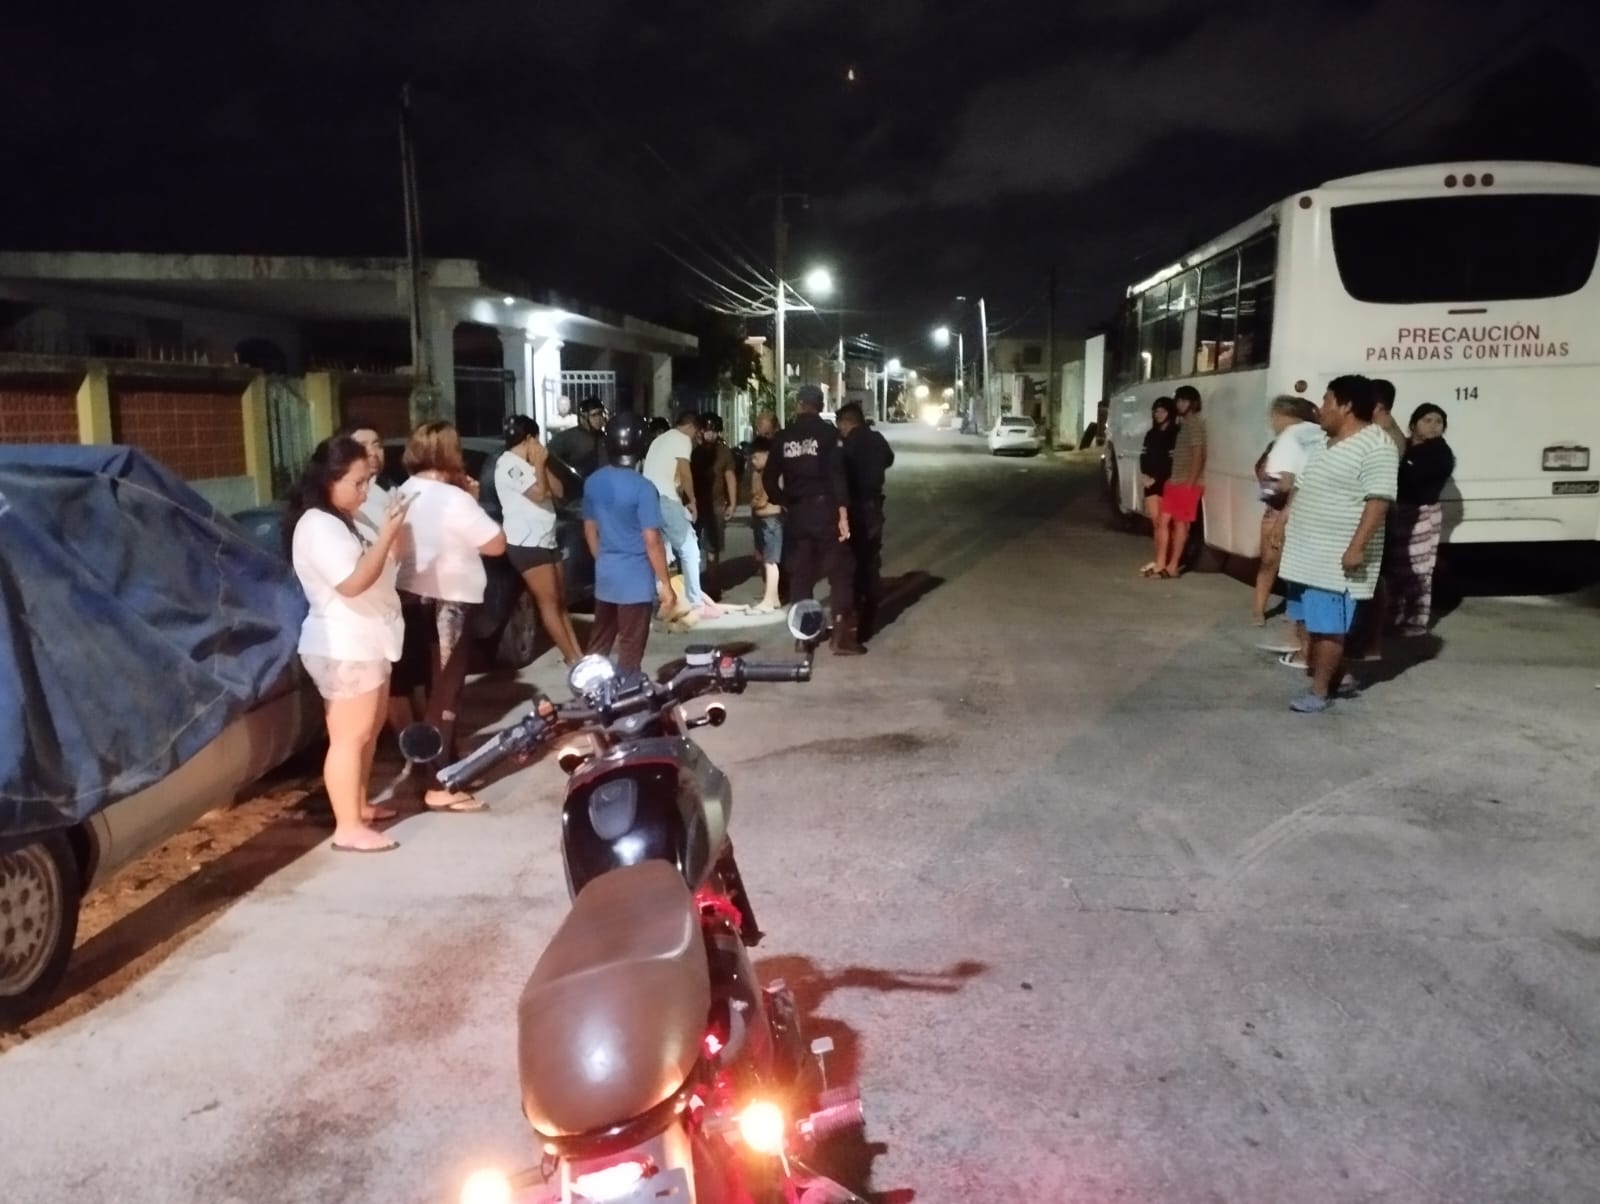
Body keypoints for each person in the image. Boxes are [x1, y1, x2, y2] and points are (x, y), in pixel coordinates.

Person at [284, 436, 410, 853]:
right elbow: (354, 582)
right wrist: (388, 534)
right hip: (343, 643)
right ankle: (348, 826)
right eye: (357, 482)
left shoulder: (342, 519)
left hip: (366, 639)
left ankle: (358, 806)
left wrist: (392, 536)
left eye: (368, 481)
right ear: (329, 479)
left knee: (368, 732)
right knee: (349, 736)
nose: (365, 491)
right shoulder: (318, 525)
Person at [394, 421, 507, 812]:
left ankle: (447, 768)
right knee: (446, 696)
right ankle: (440, 783)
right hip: (450, 602)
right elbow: (495, 544)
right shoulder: (452, 498)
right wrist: (472, 500)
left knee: (432, 691)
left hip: (413, 599)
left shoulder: (403, 491)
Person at [1277, 374, 1399, 713]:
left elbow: (1378, 501)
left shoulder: (1377, 445)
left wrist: (1356, 547)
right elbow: (1302, 484)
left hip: (1335, 557)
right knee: (1305, 621)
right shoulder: (1322, 441)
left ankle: (1319, 693)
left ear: (1346, 406)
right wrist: (1284, 519)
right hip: (1305, 553)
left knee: (1328, 629)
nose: (1321, 408)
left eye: (1327, 401)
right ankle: (1340, 677)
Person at [764, 384, 859, 654]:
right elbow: (838, 475)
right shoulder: (829, 435)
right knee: (840, 571)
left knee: (801, 574)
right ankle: (841, 636)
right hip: (826, 509)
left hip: (797, 512)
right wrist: (843, 513)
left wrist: (783, 501)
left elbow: (769, 478)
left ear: (798, 405)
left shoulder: (784, 438)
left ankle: (803, 635)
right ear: (819, 405)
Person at [582, 411, 677, 680]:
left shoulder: (593, 482)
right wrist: (666, 585)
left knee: (598, 645)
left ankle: (589, 691)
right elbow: (652, 540)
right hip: (635, 582)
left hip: (606, 576)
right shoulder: (643, 488)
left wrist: (603, 560)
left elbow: (590, 529)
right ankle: (627, 697)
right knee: (630, 649)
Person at [497, 414, 582, 666]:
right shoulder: (509, 465)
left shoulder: (530, 463)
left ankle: (579, 655)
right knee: (548, 603)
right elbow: (541, 493)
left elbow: (558, 491)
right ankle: (573, 660)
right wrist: (537, 464)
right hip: (527, 543)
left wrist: (542, 464)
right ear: (530, 438)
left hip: (546, 540)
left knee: (560, 601)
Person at [1251, 395, 1325, 627]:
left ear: (1283, 416)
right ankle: (1285, 609)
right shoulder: (1319, 435)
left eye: (1273, 416)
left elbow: (1277, 484)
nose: (1272, 422)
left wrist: (1281, 487)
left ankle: (1261, 611)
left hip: (1279, 510)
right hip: (1310, 509)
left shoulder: (1288, 438)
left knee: (1270, 562)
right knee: (1297, 564)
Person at [643, 410, 720, 620]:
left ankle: (658, 601)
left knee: (662, 553)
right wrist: (692, 501)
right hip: (666, 500)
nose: (697, 439)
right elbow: (685, 472)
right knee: (690, 549)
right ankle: (695, 603)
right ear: (692, 427)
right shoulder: (681, 439)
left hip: (648, 499)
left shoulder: (659, 440)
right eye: (698, 433)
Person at [1387, 403, 1456, 637]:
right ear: (1413, 424)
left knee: (1417, 568)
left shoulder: (1439, 454)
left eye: (1438, 422)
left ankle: (1416, 620)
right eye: (1427, 420)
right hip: (1399, 512)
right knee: (1396, 568)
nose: (1434, 426)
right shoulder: (1403, 446)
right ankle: (1393, 616)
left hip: (1420, 514)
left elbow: (1411, 477)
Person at [836, 402, 895, 643]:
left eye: (840, 425)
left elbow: (838, 473)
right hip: (873, 507)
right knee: (871, 561)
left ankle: (852, 622)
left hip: (853, 508)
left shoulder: (847, 444)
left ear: (847, 422)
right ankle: (869, 616)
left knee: (850, 564)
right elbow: (889, 459)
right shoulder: (877, 439)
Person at [1153, 386, 1206, 578]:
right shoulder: (1185, 424)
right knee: (1165, 522)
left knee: (1180, 525)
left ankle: (1173, 566)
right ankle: (1163, 564)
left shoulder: (1194, 424)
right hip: (1175, 481)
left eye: (1185, 401)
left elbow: (1199, 454)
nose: (1181, 404)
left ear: (1193, 403)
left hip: (1186, 483)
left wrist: (1190, 483)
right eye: (1179, 401)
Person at [691, 414, 739, 601]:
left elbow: (730, 477)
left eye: (714, 431)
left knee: (713, 549)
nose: (711, 435)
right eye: (708, 431)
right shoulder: (693, 451)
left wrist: (733, 503)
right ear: (701, 431)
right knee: (691, 549)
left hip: (717, 504)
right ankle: (693, 588)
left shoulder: (724, 452)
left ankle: (712, 587)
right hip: (695, 505)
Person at [1137, 397, 1178, 577]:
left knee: (1165, 523)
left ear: (1170, 413)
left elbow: (1173, 460)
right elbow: (1144, 456)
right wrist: (1145, 475)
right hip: (1150, 482)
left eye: (1162, 411)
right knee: (1156, 523)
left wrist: (1157, 478)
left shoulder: (1176, 433)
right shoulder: (1150, 434)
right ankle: (1159, 559)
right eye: (1156, 411)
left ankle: (1164, 563)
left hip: (1166, 481)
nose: (1159, 414)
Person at [746, 435, 783, 613]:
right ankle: (772, 596)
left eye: (756, 457)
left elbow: (763, 499)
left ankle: (770, 599)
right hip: (762, 519)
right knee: (765, 559)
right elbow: (753, 496)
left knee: (771, 561)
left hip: (772, 519)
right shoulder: (757, 473)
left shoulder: (773, 472)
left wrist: (757, 502)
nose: (753, 461)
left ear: (767, 454)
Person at [547, 397, 608, 478]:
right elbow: (550, 461)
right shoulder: (565, 439)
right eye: (594, 415)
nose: (599, 418)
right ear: (583, 417)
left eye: (601, 414)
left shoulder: (607, 439)